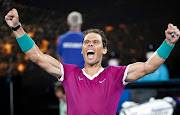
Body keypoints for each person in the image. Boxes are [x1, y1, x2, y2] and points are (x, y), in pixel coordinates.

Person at [5, 9, 180, 115]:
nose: (90, 44)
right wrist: (16, 28)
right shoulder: (70, 73)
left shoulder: (116, 75)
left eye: (95, 42)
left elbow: (149, 66)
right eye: (86, 42)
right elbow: (37, 56)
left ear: (104, 50)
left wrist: (169, 43)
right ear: (82, 50)